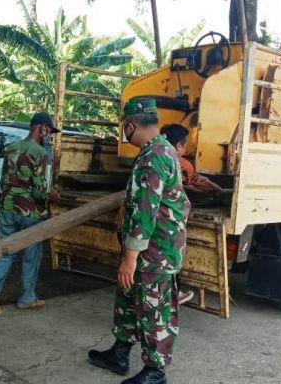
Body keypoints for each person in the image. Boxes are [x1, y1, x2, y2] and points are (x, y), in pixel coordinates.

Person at [89, 98, 190, 384]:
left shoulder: (155, 154)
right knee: (130, 299)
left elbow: (147, 209)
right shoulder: (160, 149)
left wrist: (130, 258)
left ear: (130, 124)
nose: (124, 131)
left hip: (154, 252)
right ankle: (120, 353)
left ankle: (156, 372)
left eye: (124, 127)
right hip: (148, 248)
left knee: (154, 308)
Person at [0, 112, 60, 316]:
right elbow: (38, 190)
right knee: (31, 256)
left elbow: (3, 182)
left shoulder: (11, 148)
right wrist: (52, 195)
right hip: (29, 211)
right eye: (49, 130)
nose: (49, 135)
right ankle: (26, 298)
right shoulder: (39, 152)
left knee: (6, 251)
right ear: (41, 127)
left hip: (7, 207)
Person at [160, 124, 225, 194]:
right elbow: (200, 181)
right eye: (185, 144)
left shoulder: (151, 159)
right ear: (178, 146)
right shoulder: (184, 165)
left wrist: (219, 190)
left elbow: (198, 180)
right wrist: (219, 190)